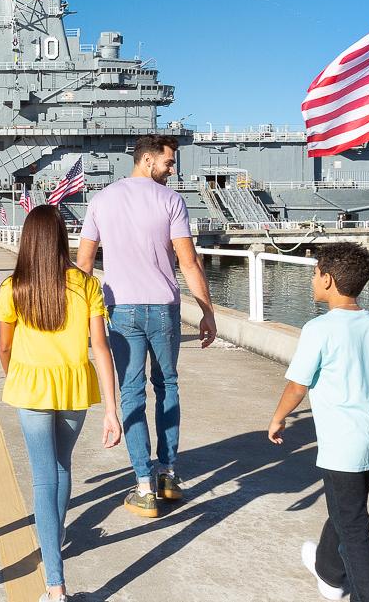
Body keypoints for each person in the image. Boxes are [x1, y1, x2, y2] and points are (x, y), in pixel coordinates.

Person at [74, 134, 218, 519]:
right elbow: (188, 262)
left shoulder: (101, 200)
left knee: (132, 393)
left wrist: (74, 316)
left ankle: (143, 485)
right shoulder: (171, 201)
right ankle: (168, 475)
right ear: (148, 160)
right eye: (169, 163)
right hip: (163, 308)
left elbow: (84, 264)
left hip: (120, 309)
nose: (172, 171)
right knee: (167, 385)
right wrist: (207, 311)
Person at [264, 243, 369, 602]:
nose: (312, 279)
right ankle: (329, 571)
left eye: (314, 273)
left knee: (355, 527)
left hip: (343, 445)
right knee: (348, 509)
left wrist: (278, 418)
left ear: (328, 280)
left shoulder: (318, 328)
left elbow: (297, 385)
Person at [0, 204, 122, 602]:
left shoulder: (14, 286)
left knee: (42, 478)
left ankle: (55, 585)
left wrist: (16, 371)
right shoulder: (86, 285)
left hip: (31, 387)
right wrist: (112, 411)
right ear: (62, 239)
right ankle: (56, 533)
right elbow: (100, 348)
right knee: (62, 467)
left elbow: (4, 346)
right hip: (74, 388)